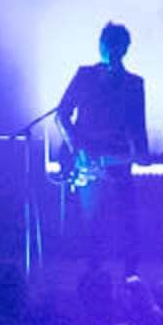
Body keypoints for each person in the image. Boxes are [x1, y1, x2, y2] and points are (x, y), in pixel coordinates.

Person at [48, 22, 148, 269]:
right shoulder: (86, 76)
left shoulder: (134, 84)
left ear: (125, 48)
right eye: (108, 44)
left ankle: (130, 278)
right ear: (101, 45)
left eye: (116, 45)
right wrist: (78, 150)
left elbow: (138, 125)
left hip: (118, 159)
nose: (111, 50)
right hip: (87, 160)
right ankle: (95, 277)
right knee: (94, 223)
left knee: (128, 221)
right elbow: (61, 114)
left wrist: (143, 154)